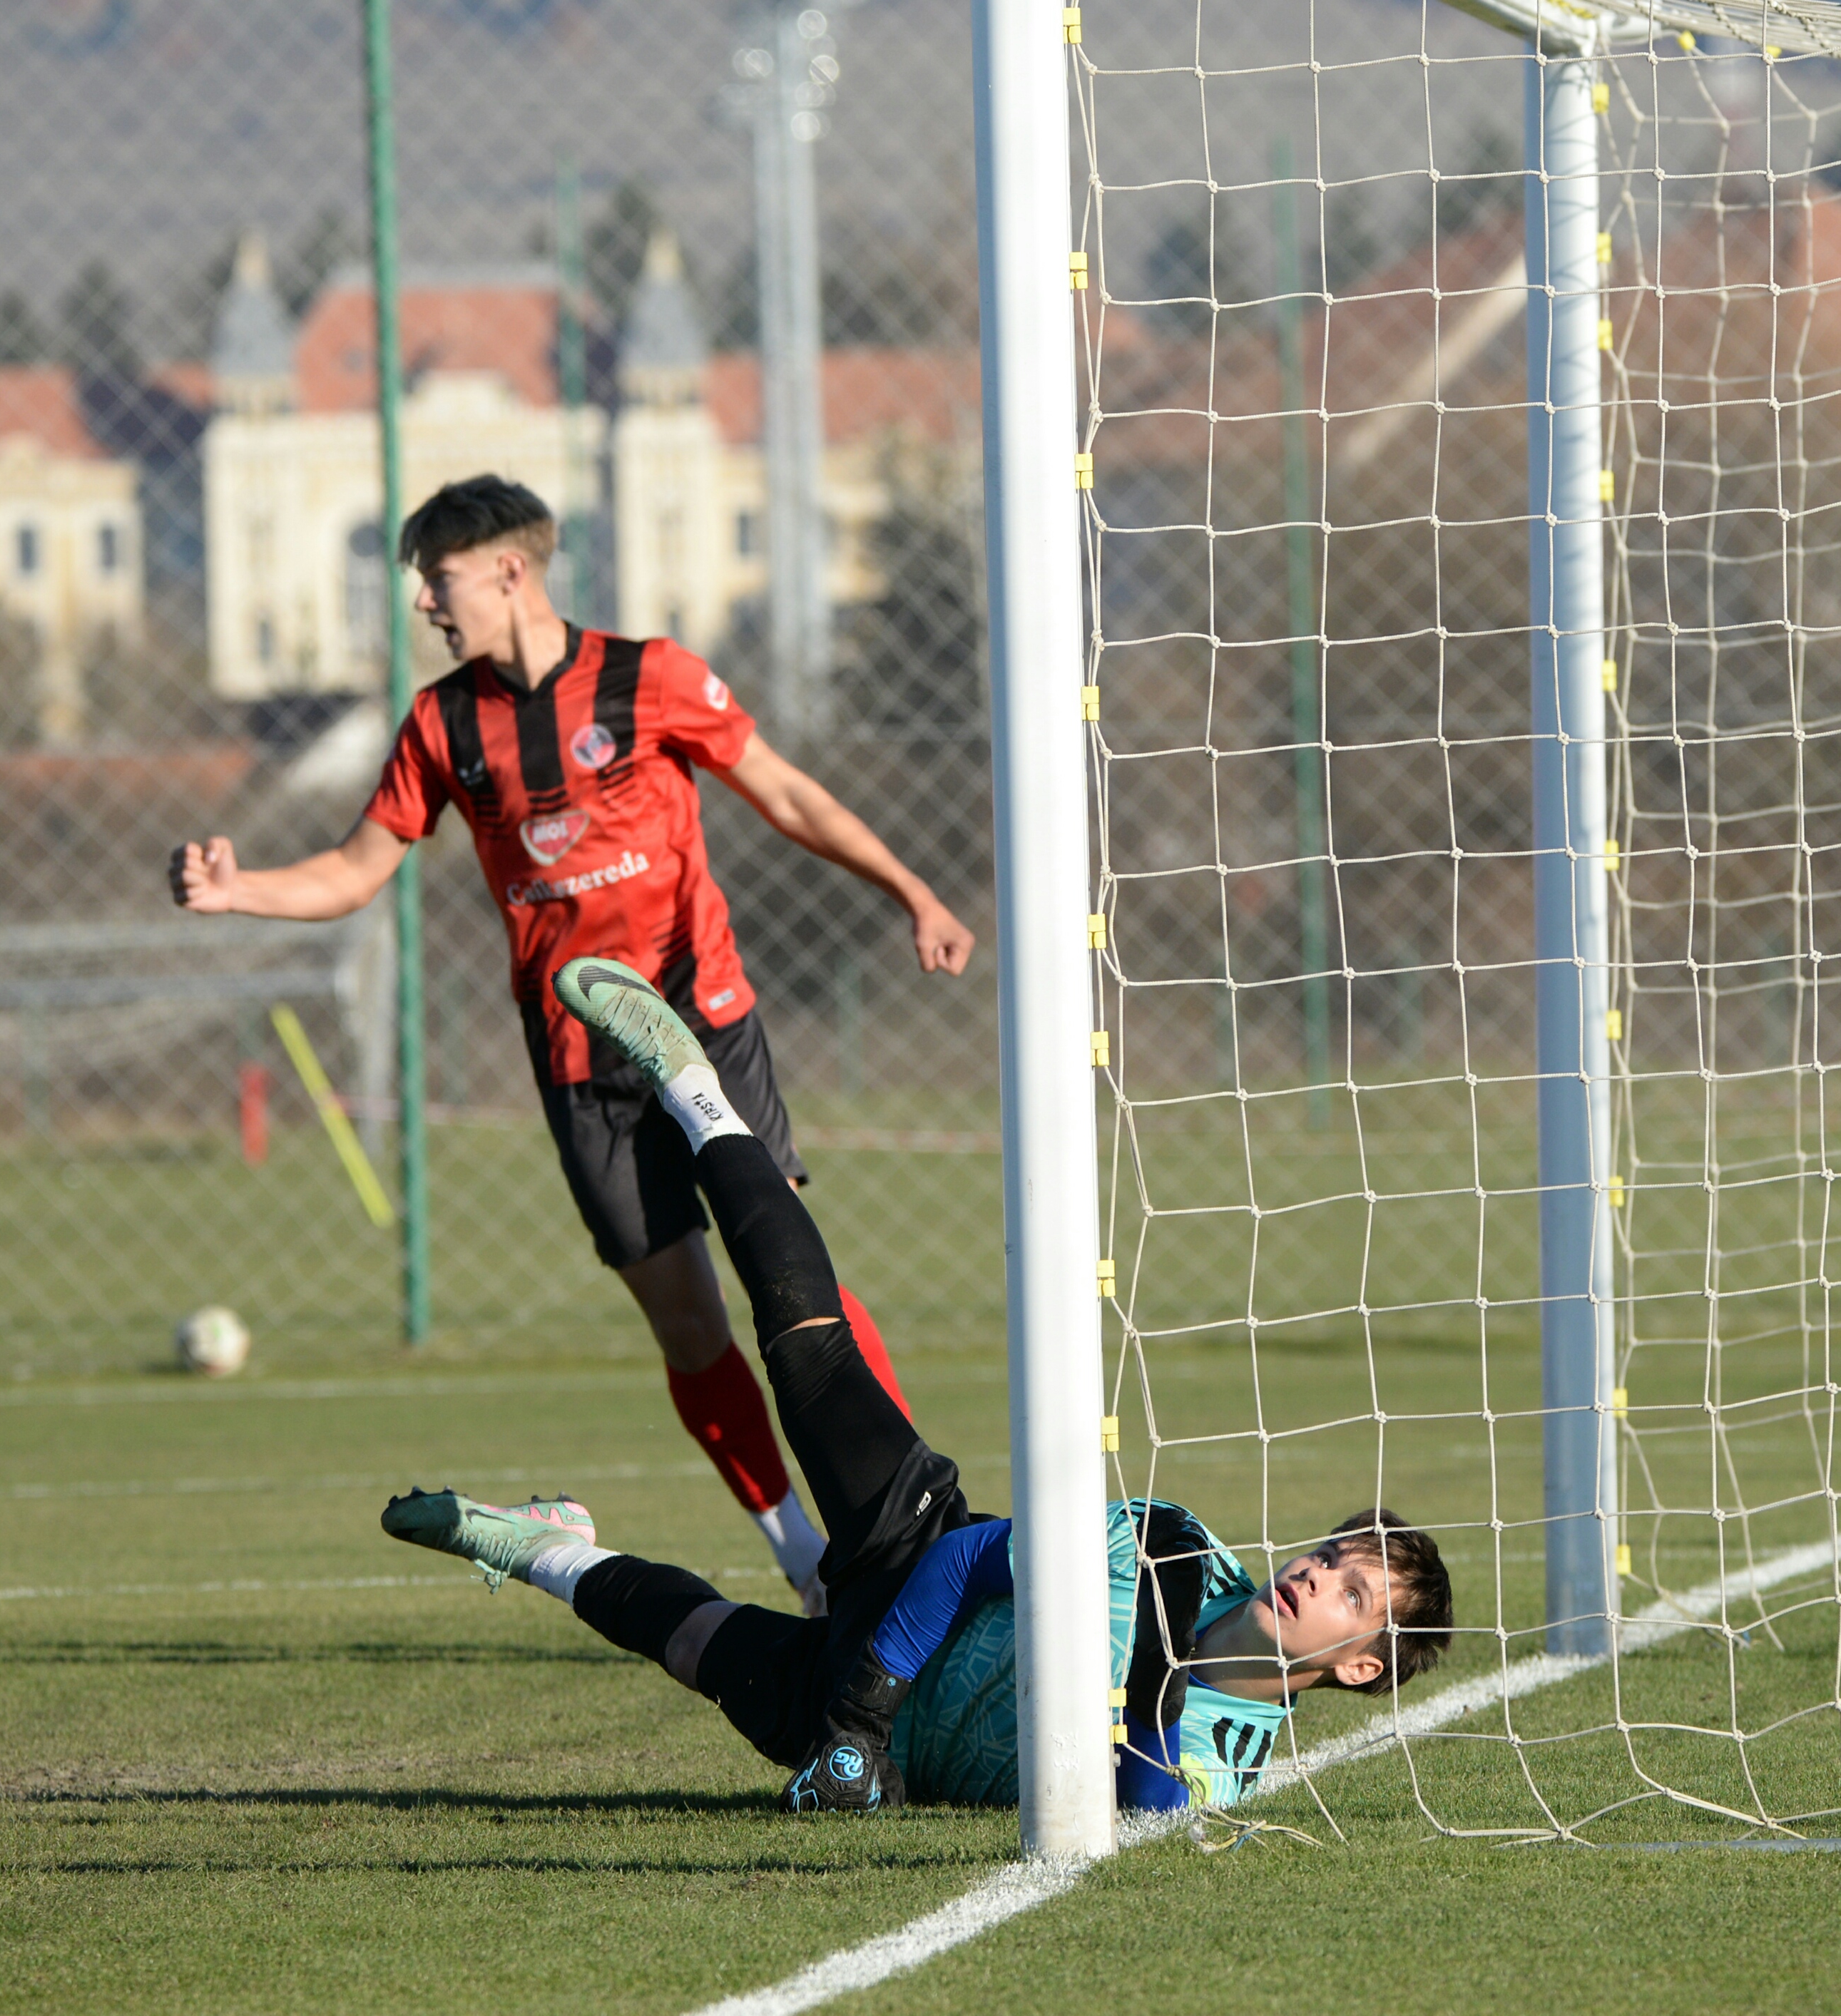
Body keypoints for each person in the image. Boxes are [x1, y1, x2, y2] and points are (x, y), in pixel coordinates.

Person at [382, 958, 1454, 1813]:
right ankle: (691, 1084)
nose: (1315, 1577)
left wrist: (1161, 1697)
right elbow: (972, 1557)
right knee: (809, 1344)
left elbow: (1147, 1799)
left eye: (1351, 1595)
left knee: (695, 1641)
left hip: (886, 1746)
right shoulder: (1166, 1549)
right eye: (1330, 1555)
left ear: (1359, 1669)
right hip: (910, 1559)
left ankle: (542, 1544)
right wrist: (864, 1708)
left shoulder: (1233, 1757)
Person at [170, 476, 975, 1612]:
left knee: (789, 1276)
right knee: (688, 1321)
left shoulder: (651, 679)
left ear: (509, 569)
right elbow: (359, 868)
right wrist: (240, 890)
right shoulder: (443, 724)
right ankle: (800, 1553)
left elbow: (783, 791)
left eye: (438, 581)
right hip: (578, 1067)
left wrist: (911, 890)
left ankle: (909, 1521)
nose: (427, 607)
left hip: (705, 1024)